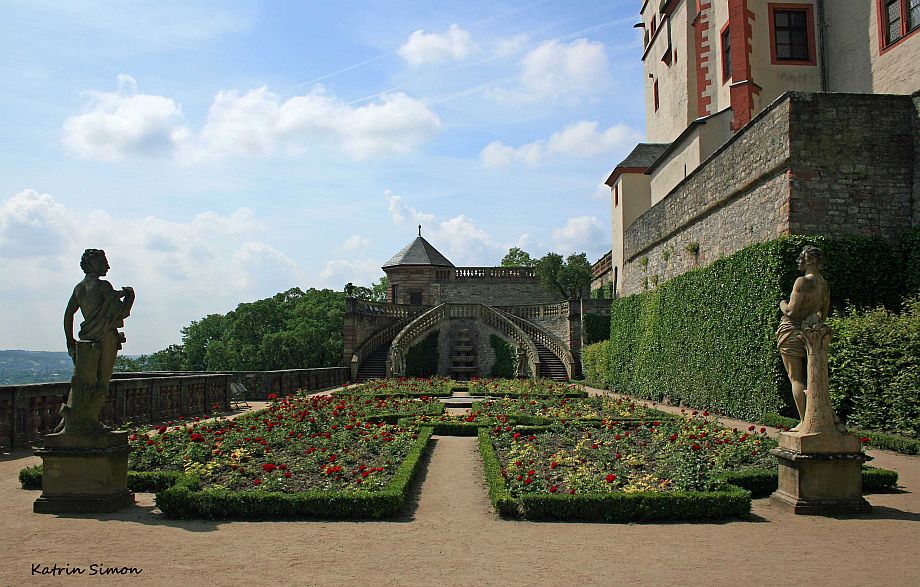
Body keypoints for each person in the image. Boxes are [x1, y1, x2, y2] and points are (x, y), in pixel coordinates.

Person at [55, 249, 134, 434]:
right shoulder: (103, 286)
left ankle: (72, 421)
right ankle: (89, 421)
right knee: (101, 382)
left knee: (82, 380)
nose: (107, 266)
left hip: (86, 340)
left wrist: (70, 340)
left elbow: (68, 315)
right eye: (103, 262)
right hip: (106, 337)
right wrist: (130, 297)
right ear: (92, 264)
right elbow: (120, 313)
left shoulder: (79, 288)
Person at [777, 246, 829, 431]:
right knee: (815, 377)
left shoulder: (802, 282)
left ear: (808, 260)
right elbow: (823, 315)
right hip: (812, 332)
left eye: (801, 258)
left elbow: (791, 310)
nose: (799, 262)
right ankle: (822, 418)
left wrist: (781, 303)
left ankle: (804, 421)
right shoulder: (823, 284)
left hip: (791, 330)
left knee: (795, 378)